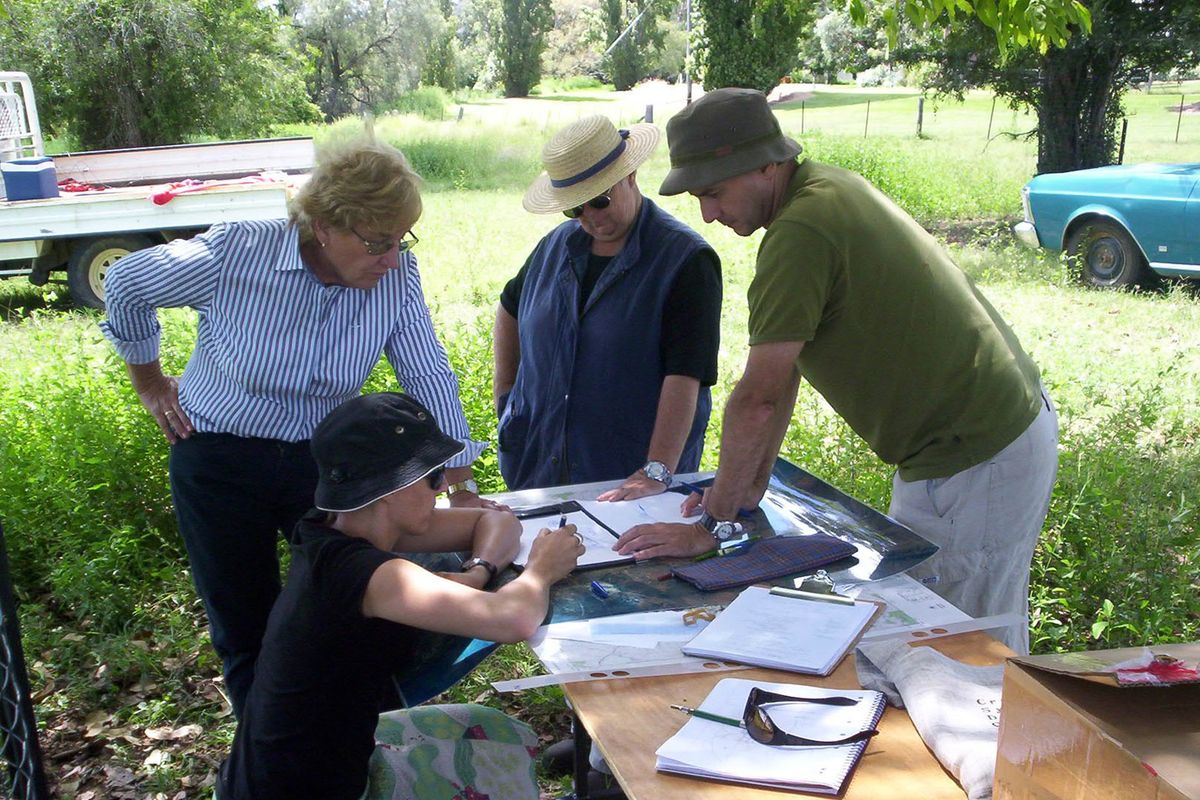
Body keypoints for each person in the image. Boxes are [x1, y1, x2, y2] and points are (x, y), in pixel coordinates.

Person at [614, 88, 1058, 655]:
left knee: (966, 651)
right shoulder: (824, 189)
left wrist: (713, 526)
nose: (708, 213)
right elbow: (784, 377)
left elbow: (758, 400)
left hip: (975, 451)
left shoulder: (801, 231)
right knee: (926, 635)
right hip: (962, 446)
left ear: (765, 165)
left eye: (714, 192)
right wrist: (742, 491)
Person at [99, 128, 495, 717]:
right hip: (219, 459)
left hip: (323, 466)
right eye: (376, 243)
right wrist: (151, 383)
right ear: (324, 225)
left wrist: (459, 480)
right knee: (246, 621)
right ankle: (267, 756)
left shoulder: (395, 277)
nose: (392, 258)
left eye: (401, 240)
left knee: (349, 597)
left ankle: (348, 733)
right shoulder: (239, 252)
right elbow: (128, 283)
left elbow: (427, 370)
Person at [217, 392, 583, 800]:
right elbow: (513, 619)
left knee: (497, 730)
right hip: (298, 790)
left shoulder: (339, 523)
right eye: (432, 476)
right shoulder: (364, 574)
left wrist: (477, 572)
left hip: (287, 769)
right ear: (390, 489)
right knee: (499, 750)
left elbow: (495, 520)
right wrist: (542, 570)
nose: (443, 485)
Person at [494, 114, 722, 497]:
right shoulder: (554, 247)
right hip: (538, 471)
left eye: (599, 201)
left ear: (630, 175)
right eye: (575, 209)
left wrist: (656, 471)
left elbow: (686, 375)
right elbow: (510, 307)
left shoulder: (685, 260)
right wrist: (507, 397)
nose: (590, 219)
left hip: (629, 483)